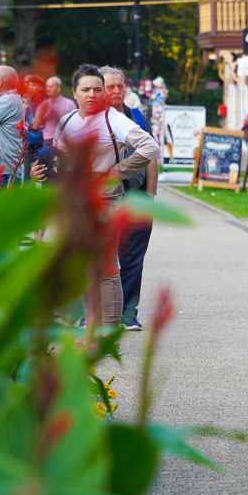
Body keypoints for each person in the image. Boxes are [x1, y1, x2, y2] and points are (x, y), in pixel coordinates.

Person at [30, 64, 160, 330]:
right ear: (74, 93)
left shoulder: (113, 118)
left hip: (105, 202)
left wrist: (116, 171)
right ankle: (87, 325)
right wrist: (38, 173)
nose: (92, 94)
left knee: (106, 268)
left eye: (97, 89)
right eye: (85, 89)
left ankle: (107, 334)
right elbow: (56, 162)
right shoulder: (66, 122)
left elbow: (150, 145)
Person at [100, 65, 158, 331]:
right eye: (109, 86)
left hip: (135, 197)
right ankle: (94, 312)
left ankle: (127, 313)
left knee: (133, 257)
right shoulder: (90, 118)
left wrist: (150, 195)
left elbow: (151, 158)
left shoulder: (137, 117)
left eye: (119, 86)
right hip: (104, 198)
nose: (115, 90)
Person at [33, 76, 76, 148]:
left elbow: (76, 124)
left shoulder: (69, 104)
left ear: (58, 88)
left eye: (51, 87)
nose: (48, 89)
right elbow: (35, 127)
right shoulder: (43, 104)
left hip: (64, 142)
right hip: (48, 141)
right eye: (47, 86)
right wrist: (41, 114)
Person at [22, 74, 46, 180]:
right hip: (29, 140)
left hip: (44, 140)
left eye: (33, 85)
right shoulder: (24, 100)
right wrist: (25, 108)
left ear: (40, 87)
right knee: (27, 172)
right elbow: (19, 120)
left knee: (44, 171)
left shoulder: (46, 100)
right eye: (29, 85)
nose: (30, 88)